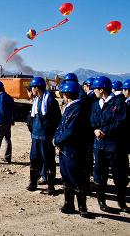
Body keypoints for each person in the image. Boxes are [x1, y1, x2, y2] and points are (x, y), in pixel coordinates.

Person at [90, 76, 128, 213]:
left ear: (102, 89)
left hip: (114, 146)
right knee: (100, 174)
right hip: (99, 146)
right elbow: (93, 120)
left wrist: (104, 131)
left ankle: (122, 202)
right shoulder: (95, 104)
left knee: (119, 175)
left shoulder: (118, 103)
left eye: (95, 89)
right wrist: (95, 129)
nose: (93, 91)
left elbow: (121, 122)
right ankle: (102, 201)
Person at [54, 81, 91, 218]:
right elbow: (61, 126)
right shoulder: (70, 107)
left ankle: (82, 207)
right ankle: (69, 204)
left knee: (77, 177)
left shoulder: (78, 108)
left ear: (67, 94)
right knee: (66, 176)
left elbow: (71, 130)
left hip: (73, 149)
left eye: (63, 93)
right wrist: (56, 138)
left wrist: (57, 140)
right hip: (65, 148)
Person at [26, 77, 61, 195]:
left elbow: (57, 119)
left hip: (46, 137)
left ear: (36, 88)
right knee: (34, 159)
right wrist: (30, 127)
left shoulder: (50, 101)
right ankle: (33, 182)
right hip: (36, 136)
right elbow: (32, 117)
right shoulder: (36, 100)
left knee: (49, 160)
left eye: (32, 88)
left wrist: (50, 132)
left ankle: (51, 186)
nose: (31, 90)